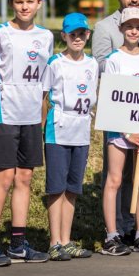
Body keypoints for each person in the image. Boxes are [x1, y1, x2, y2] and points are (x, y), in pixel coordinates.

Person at [0, 0, 52, 265]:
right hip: (5, 112)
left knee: (25, 178)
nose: (25, 7)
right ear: (12, 3)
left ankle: (18, 243)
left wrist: (43, 113)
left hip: (32, 115)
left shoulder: (45, 36)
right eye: (20, 2)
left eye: (30, 2)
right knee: (4, 178)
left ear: (38, 4)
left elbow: (45, 79)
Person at [92, 0, 139, 245]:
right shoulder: (104, 27)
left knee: (138, 174)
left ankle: (132, 224)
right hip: (117, 112)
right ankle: (114, 229)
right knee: (116, 174)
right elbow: (100, 67)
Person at [102, 7, 139, 254]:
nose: (133, 31)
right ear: (121, 29)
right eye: (129, 26)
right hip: (120, 130)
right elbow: (110, 100)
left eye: (138, 27)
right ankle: (112, 235)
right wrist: (127, 133)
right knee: (114, 180)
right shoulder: (113, 60)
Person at [42, 13, 98, 260]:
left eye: (82, 33)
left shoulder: (92, 63)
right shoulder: (55, 62)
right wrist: (41, 128)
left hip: (81, 130)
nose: (77, 38)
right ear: (63, 36)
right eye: (72, 34)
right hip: (59, 128)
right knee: (57, 187)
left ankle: (66, 239)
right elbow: (44, 97)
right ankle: (54, 241)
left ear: (88, 35)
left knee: (73, 188)